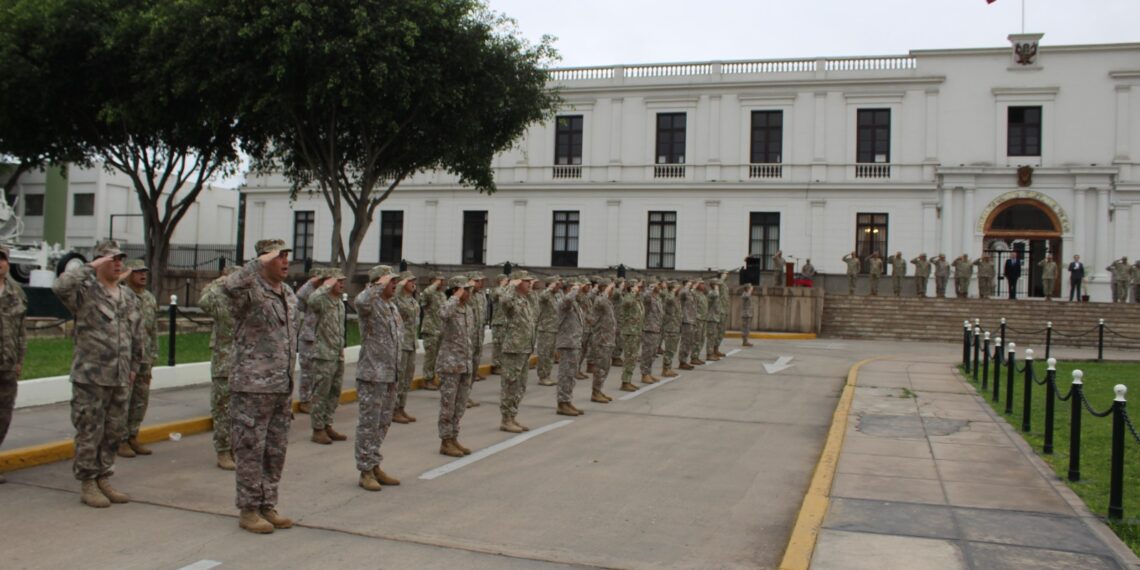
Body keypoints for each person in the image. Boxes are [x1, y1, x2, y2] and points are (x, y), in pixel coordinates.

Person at [53, 240, 144, 508]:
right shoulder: (85, 292)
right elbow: (59, 286)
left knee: (114, 430)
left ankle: (104, 475)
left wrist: (135, 368)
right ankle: (88, 481)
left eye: (120, 259)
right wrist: (89, 267)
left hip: (120, 376)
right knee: (89, 430)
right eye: (111, 259)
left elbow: (136, 334)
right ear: (99, 262)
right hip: (91, 376)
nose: (117, 263)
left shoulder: (127, 296)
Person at [222, 239, 300, 534]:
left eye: (286, 256)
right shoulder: (249, 290)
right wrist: (256, 264)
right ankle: (249, 509)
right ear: (264, 260)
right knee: (251, 450)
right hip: (252, 386)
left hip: (281, 385)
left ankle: (268, 503)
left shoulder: (288, 293)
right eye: (279, 257)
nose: (286, 261)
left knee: (275, 450)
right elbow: (228, 288)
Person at [353, 265, 403, 492]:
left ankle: (374, 464)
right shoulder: (370, 304)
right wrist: (378, 284)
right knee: (369, 424)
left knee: (383, 423)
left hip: (390, 374)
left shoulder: (390, 306)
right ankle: (365, 470)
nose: (394, 285)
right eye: (391, 281)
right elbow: (360, 301)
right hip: (372, 374)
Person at [297, 269, 347, 445]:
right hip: (323, 354)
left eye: (342, 281)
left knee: (334, 392)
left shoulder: (339, 303)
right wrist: (323, 284)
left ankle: (327, 424)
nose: (341, 284)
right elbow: (310, 299)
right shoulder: (321, 300)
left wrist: (341, 349)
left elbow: (340, 329)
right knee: (321, 392)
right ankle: (317, 429)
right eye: (338, 281)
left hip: (336, 353)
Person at [199, 266, 238, 470]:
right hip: (223, 362)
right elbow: (203, 301)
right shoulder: (219, 300)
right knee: (222, 408)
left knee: (238, 411)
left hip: (243, 364)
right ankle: (223, 451)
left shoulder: (244, 302)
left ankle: (234, 448)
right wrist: (220, 281)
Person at [119, 259, 158, 458]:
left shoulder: (149, 298)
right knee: (124, 399)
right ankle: (121, 439)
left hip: (145, 356)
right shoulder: (122, 296)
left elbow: (153, 330)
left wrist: (154, 355)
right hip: (127, 357)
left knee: (140, 400)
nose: (142, 275)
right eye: (137, 272)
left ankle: (133, 434)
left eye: (144, 271)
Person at [437, 276, 475, 457]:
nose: (468, 292)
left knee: (459, 405)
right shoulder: (449, 307)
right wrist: (455, 296)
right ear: (455, 290)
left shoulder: (467, 309)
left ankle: (454, 437)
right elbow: (443, 313)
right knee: (448, 405)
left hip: (465, 363)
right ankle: (445, 441)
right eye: (464, 289)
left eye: (469, 289)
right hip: (450, 364)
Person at [0, 244, 27, 484]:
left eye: (2, 259)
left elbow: (21, 331)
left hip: (7, 365)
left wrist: (19, 359)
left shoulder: (15, 292)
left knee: (3, 415)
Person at [498, 271, 537, 431]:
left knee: (520, 385)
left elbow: (535, 312)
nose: (530, 284)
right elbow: (503, 300)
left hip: (524, 347)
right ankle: (505, 419)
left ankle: (512, 416)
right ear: (518, 282)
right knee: (510, 384)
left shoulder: (525, 299)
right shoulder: (511, 299)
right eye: (526, 281)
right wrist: (510, 286)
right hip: (513, 348)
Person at [391, 271, 419, 424]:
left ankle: (401, 407)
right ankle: (394, 409)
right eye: (409, 281)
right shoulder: (397, 299)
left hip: (411, 343)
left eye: (414, 280)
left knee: (407, 378)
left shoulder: (412, 301)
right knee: (399, 378)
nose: (413, 283)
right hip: (401, 344)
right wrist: (399, 286)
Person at [555, 279, 586, 414]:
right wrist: (575, 289)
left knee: (571, 375)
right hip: (567, 343)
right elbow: (566, 301)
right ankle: (562, 403)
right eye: (576, 290)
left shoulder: (575, 304)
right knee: (565, 374)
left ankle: (567, 401)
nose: (579, 292)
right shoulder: (564, 302)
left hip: (574, 343)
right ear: (569, 290)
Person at [589, 279, 618, 402]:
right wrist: (606, 290)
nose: (613, 291)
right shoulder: (599, 299)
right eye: (612, 289)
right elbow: (600, 301)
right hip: (601, 339)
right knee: (600, 367)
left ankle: (599, 390)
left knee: (606, 366)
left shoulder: (607, 301)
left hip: (608, 339)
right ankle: (595, 392)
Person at [419, 274, 446, 389]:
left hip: (440, 329)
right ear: (433, 281)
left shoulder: (441, 294)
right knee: (430, 357)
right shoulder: (429, 293)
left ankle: (434, 378)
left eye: (442, 280)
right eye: (439, 280)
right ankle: (427, 380)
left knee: (438, 357)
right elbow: (426, 294)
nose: (441, 282)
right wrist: (434, 284)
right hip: (430, 329)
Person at [535, 276, 561, 386]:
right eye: (556, 284)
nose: (558, 286)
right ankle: (542, 376)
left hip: (554, 328)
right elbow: (542, 296)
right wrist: (550, 287)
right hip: (545, 329)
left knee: (550, 354)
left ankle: (547, 375)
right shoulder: (545, 295)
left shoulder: (556, 296)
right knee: (544, 353)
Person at [618, 280, 644, 389]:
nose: (640, 289)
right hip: (629, 332)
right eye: (638, 287)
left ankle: (628, 380)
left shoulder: (637, 299)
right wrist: (633, 292)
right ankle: (625, 382)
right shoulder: (628, 297)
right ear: (631, 287)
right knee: (629, 357)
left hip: (636, 331)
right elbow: (627, 303)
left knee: (633, 357)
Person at [639, 278, 664, 385]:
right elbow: (645, 297)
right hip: (649, 328)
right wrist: (650, 288)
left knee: (653, 353)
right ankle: (644, 374)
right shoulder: (648, 298)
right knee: (647, 352)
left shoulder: (656, 298)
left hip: (656, 328)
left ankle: (648, 372)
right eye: (655, 286)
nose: (659, 287)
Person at [488, 274, 509, 375]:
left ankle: (502, 364)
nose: (507, 282)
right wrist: (501, 285)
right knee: (498, 345)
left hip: (506, 323)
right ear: (500, 281)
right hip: (498, 322)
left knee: (504, 345)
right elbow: (497, 294)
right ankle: (496, 366)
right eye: (505, 280)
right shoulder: (495, 290)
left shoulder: (505, 291)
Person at [660, 281, 682, 375]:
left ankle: (668, 368)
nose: (679, 290)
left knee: (672, 349)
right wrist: (673, 290)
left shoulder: (676, 298)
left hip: (675, 327)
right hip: (670, 327)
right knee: (669, 349)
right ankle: (666, 369)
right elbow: (670, 299)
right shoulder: (669, 297)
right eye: (677, 288)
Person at [677, 281, 697, 371]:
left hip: (691, 319)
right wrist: (686, 286)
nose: (691, 284)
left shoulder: (690, 293)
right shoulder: (683, 292)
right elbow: (682, 293)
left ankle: (685, 360)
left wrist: (692, 288)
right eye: (689, 283)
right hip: (686, 320)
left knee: (689, 342)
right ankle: (682, 362)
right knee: (685, 342)